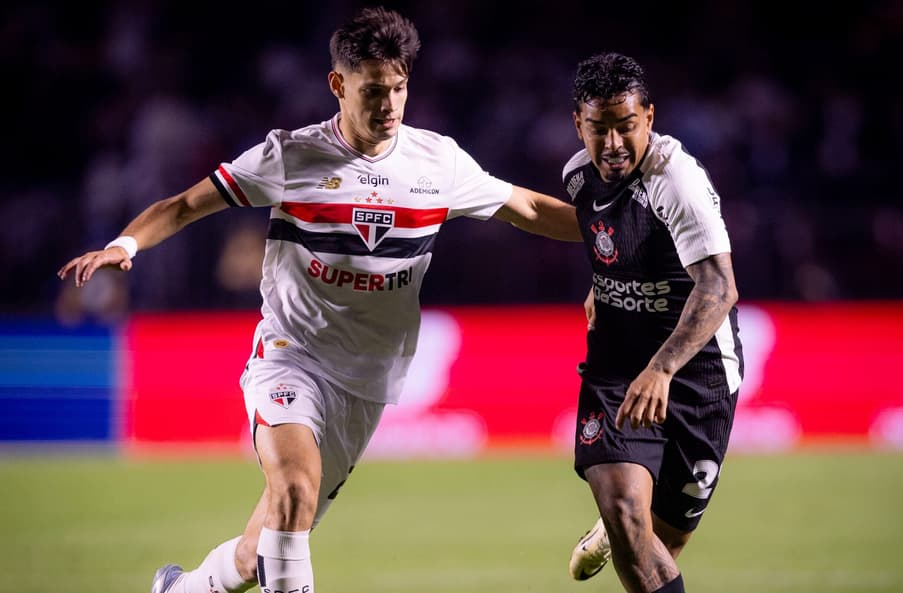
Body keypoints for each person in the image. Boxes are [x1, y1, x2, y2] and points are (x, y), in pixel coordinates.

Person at [59, 8, 580, 593]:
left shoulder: (438, 163)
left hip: (366, 381)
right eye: (373, 91)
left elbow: (531, 209)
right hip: (291, 357)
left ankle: (178, 589)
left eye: (400, 90)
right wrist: (124, 243)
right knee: (296, 489)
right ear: (338, 85)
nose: (389, 106)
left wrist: (616, 232)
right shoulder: (292, 157)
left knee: (267, 548)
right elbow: (182, 206)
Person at [561, 52, 743, 593]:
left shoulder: (676, 180)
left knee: (663, 543)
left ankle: (622, 525)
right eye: (599, 128)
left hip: (696, 375)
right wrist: (600, 283)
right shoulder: (577, 177)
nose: (613, 143)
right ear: (578, 123)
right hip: (617, 366)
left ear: (650, 118)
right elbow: (613, 240)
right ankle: (619, 517)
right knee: (629, 524)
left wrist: (662, 369)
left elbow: (719, 287)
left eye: (627, 126)